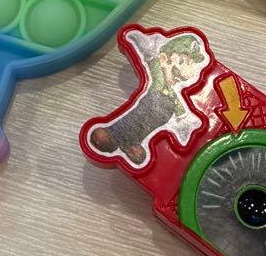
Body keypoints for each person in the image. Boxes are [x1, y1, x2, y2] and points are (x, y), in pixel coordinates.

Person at [87, 32, 208, 167]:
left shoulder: (173, 89)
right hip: (153, 100)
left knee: (149, 123)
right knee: (140, 114)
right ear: (164, 58)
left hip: (161, 111)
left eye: (191, 63)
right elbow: (150, 58)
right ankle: (114, 133)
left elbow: (175, 99)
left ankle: (131, 142)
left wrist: (182, 116)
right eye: (184, 61)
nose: (190, 68)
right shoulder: (158, 70)